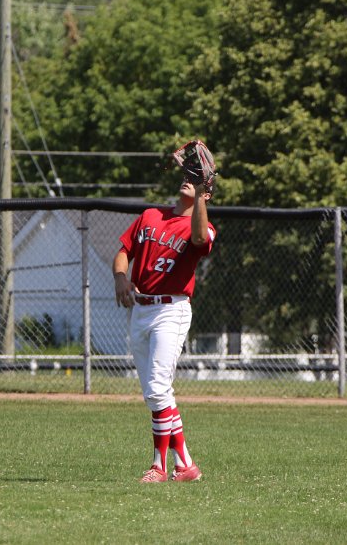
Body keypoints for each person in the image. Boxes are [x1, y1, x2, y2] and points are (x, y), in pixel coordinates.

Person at [114, 177, 216, 483]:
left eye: (195, 181)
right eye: (187, 176)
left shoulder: (204, 227)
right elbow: (124, 250)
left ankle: (158, 466)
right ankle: (185, 465)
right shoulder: (150, 216)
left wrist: (199, 196)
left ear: (206, 193)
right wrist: (120, 277)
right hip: (140, 309)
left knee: (158, 388)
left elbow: (200, 239)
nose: (187, 180)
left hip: (171, 310)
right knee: (156, 394)